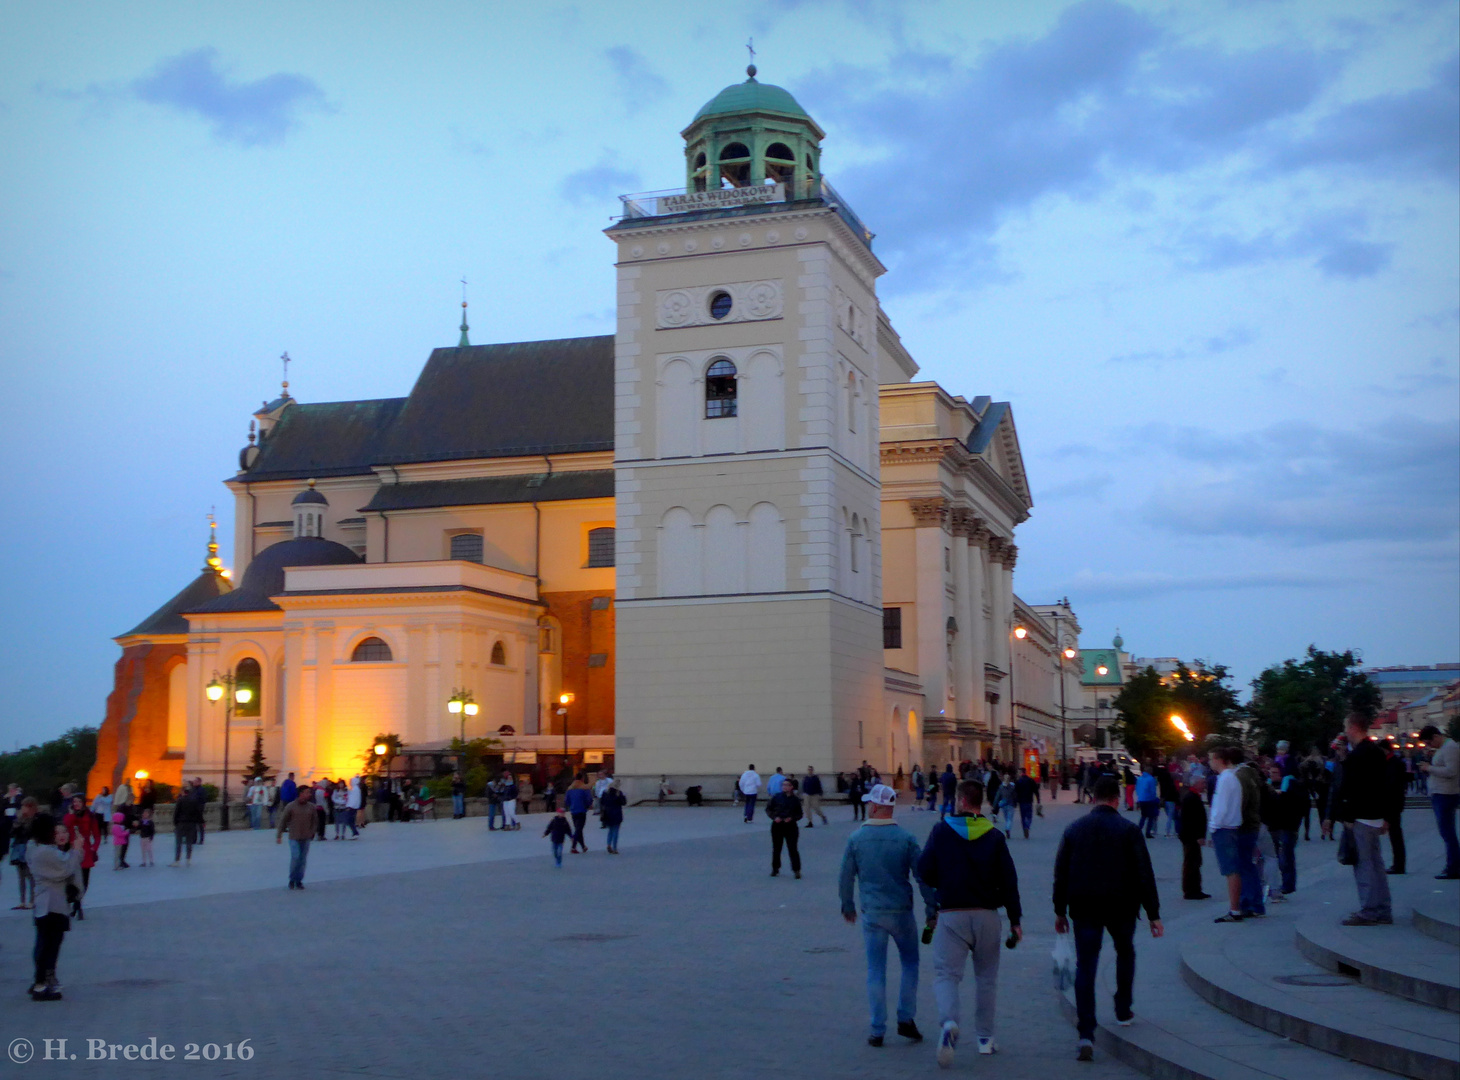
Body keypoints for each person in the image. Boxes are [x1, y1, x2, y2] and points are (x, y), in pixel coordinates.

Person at [1054, 775, 1163, 1062]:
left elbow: (1061, 873)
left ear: (1093, 798)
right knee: (1125, 951)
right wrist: (1153, 914)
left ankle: (1086, 1032)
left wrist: (1059, 911)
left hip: (1084, 906)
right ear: (1116, 799)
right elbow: (1144, 873)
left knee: (1086, 965)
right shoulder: (1128, 830)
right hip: (1121, 905)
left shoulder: (1074, 829)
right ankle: (1123, 1007)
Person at [917, 779, 1022, 1069]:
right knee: (986, 979)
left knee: (947, 975)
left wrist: (945, 882)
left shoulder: (941, 831)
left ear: (961, 801)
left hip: (952, 914)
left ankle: (949, 1022)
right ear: (981, 802)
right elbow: (1009, 882)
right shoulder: (994, 836)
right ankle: (985, 1040)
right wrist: (1015, 920)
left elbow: (924, 870)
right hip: (988, 915)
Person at [839, 782, 936, 1047]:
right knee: (910, 964)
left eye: (871, 802)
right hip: (901, 911)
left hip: (873, 912)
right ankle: (906, 1018)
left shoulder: (856, 838)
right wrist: (931, 908)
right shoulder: (906, 838)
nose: (869, 805)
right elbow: (922, 877)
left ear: (877, 806)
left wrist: (847, 906)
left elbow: (846, 876)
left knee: (876, 970)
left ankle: (877, 1029)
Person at [1325, 714, 1392, 925]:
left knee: (1363, 865)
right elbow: (1383, 786)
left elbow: (1352, 788)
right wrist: (1387, 816)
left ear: (1353, 728)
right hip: (1375, 815)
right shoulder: (1376, 752)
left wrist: (1347, 816)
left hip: (1360, 816)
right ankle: (1382, 908)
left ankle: (1369, 910)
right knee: (1376, 864)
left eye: (1345, 727)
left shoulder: (1358, 756)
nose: (1344, 732)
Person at [26, 813, 82, 1001]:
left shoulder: (39, 849)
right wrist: (76, 851)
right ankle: (41, 983)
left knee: (48, 944)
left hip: (48, 903)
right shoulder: (45, 852)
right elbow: (65, 869)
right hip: (51, 904)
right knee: (49, 945)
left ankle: (43, 981)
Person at [1419, 724, 1459, 878]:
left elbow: (1451, 771)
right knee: (1446, 832)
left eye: (1429, 742)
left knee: (1448, 833)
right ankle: (1452, 865)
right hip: (1440, 793)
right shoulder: (1443, 748)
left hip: (1446, 794)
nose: (1429, 745)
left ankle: (1453, 867)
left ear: (1436, 736)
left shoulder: (1450, 748)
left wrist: (1429, 768)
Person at [275, 785, 316, 890]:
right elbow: (283, 821)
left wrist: (312, 832)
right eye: (307, 792)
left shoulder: (311, 807)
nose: (309, 794)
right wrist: (279, 835)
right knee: (296, 857)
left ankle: (299, 880)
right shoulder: (291, 806)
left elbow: (315, 821)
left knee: (302, 860)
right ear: (301, 794)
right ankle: (292, 879)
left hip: (306, 837)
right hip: (294, 836)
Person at [1178, 776, 1209, 899]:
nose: (1204, 785)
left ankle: (1196, 888)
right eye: (1202, 783)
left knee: (1195, 862)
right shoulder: (1191, 798)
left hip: (1192, 836)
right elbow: (1190, 820)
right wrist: (1198, 836)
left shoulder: (1194, 796)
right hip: (1191, 837)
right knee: (1191, 862)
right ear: (1196, 784)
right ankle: (1190, 890)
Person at [767, 779, 803, 879]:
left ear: (792, 787)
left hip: (790, 826)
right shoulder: (777, 797)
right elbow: (768, 809)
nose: (784, 787)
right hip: (777, 825)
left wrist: (792, 818)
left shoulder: (795, 800)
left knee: (792, 848)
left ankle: (796, 869)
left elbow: (799, 814)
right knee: (777, 848)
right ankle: (775, 868)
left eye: (787, 785)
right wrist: (774, 817)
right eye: (783, 785)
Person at [1383, 741, 1408, 875]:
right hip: (1395, 802)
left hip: (1393, 803)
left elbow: (1392, 785)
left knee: (1395, 834)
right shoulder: (1394, 762)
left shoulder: (1393, 764)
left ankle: (1399, 865)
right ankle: (1398, 863)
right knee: (1395, 833)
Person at [171, 781, 202, 867]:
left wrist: (175, 823)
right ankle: (188, 859)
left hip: (181, 823)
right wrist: (200, 821)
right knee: (189, 842)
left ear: (183, 792)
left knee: (178, 842)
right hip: (191, 824)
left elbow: (176, 812)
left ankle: (177, 860)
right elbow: (198, 812)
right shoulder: (194, 801)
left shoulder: (180, 800)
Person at [564, 776, 593, 853]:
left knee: (578, 828)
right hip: (582, 810)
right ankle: (573, 847)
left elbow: (567, 801)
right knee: (579, 829)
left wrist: (570, 806)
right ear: (582, 779)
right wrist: (587, 806)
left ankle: (583, 846)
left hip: (573, 811)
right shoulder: (585, 789)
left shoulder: (570, 790)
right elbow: (589, 799)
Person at [600, 781, 626, 853]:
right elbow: (624, 802)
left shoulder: (605, 793)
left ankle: (608, 844)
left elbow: (602, 802)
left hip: (607, 814)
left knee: (610, 830)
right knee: (616, 831)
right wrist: (623, 796)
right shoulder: (618, 793)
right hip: (617, 814)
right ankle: (614, 848)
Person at [1014, 769, 1039, 839]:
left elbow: (1015, 792)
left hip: (1021, 801)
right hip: (1029, 801)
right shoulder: (1030, 780)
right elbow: (1036, 791)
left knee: (1023, 816)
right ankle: (1027, 826)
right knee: (1029, 816)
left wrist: (1015, 801)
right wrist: (1038, 800)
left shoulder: (1019, 781)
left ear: (1021, 773)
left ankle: (1024, 827)